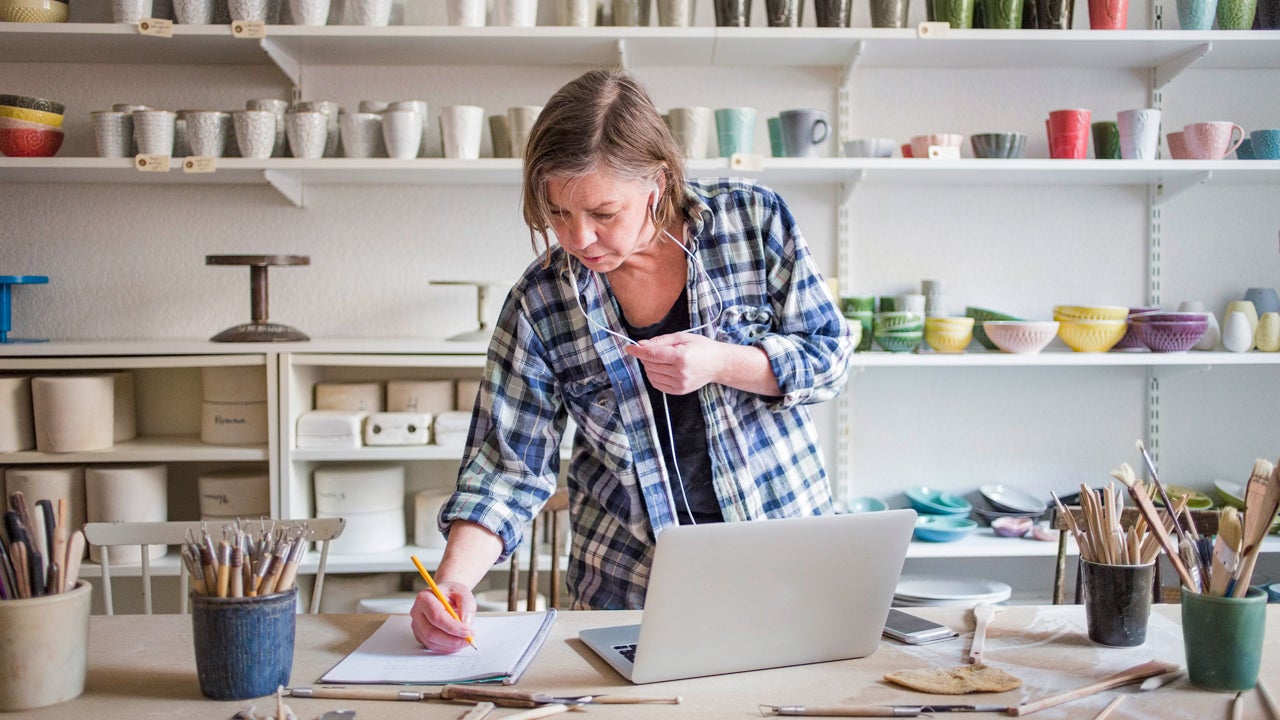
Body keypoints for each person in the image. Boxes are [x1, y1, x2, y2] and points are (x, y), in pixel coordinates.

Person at [410, 68, 855, 653]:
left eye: (603, 213)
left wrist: (724, 362)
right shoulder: (541, 301)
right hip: (624, 590)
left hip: (782, 563)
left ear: (657, 181)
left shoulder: (752, 221)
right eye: (559, 214)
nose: (579, 239)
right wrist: (452, 583)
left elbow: (829, 356)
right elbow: (506, 468)